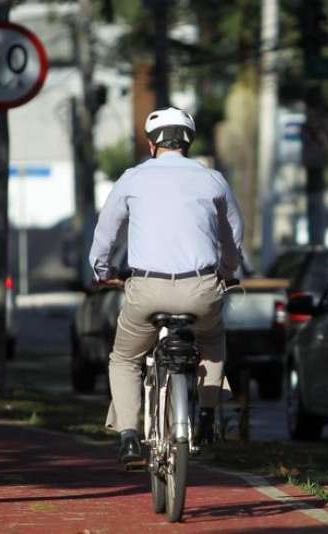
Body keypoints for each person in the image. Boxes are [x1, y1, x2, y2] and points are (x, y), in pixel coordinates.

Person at [89, 107, 244, 467]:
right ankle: (206, 415)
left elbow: (106, 232)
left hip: (147, 290)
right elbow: (232, 235)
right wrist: (227, 270)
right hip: (201, 289)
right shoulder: (212, 179)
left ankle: (129, 436)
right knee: (211, 341)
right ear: (188, 142)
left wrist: (101, 271)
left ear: (150, 143)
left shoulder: (132, 178)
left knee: (125, 358)